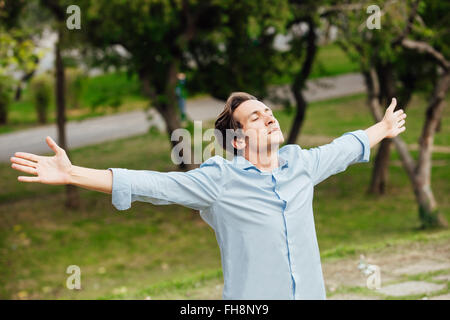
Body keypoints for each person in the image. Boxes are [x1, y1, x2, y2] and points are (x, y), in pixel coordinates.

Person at [10, 92, 407, 300]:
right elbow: (154, 186)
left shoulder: (300, 165)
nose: (270, 116)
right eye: (256, 116)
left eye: (269, 111)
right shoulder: (219, 180)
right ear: (237, 139)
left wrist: (384, 127)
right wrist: (71, 173)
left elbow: (344, 148)